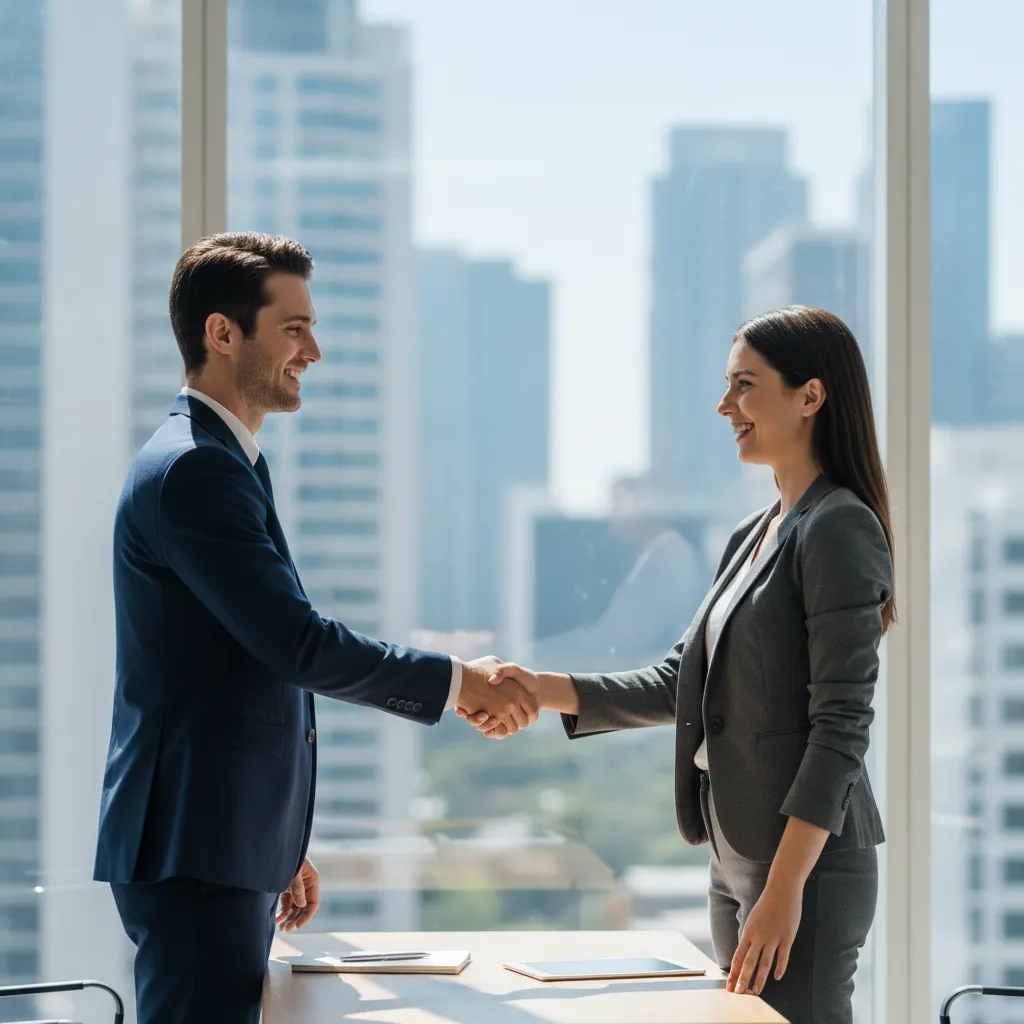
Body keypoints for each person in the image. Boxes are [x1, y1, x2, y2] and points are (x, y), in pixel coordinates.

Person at [93, 232, 537, 1024]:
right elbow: (295, 643)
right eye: (294, 328)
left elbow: (233, 666)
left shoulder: (223, 463)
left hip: (220, 844)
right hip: (197, 850)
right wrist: (458, 681)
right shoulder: (195, 469)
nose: (316, 351)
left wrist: (277, 840)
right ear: (222, 334)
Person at [464, 306, 894, 1024]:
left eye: (745, 386)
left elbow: (842, 726)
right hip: (736, 859)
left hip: (805, 870)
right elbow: (680, 682)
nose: (726, 406)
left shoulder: (839, 527)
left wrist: (785, 888)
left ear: (810, 396)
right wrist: (540, 690)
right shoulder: (752, 535)